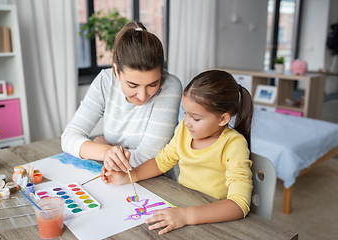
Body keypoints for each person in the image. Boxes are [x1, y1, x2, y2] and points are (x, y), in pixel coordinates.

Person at [101, 70, 254, 235]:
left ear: (223, 119)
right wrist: (128, 176)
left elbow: (239, 204)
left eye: (195, 118)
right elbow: (161, 162)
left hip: (212, 221)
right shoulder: (184, 131)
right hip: (182, 208)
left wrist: (187, 215)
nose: (186, 122)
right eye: (185, 113)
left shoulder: (234, 145)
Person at [61, 22, 182, 173]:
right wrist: (106, 152)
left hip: (156, 184)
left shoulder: (170, 86)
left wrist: (106, 150)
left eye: (152, 84)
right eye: (132, 85)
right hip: (113, 176)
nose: (143, 95)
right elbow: (68, 138)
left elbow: (151, 159)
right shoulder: (105, 81)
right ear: (116, 71)